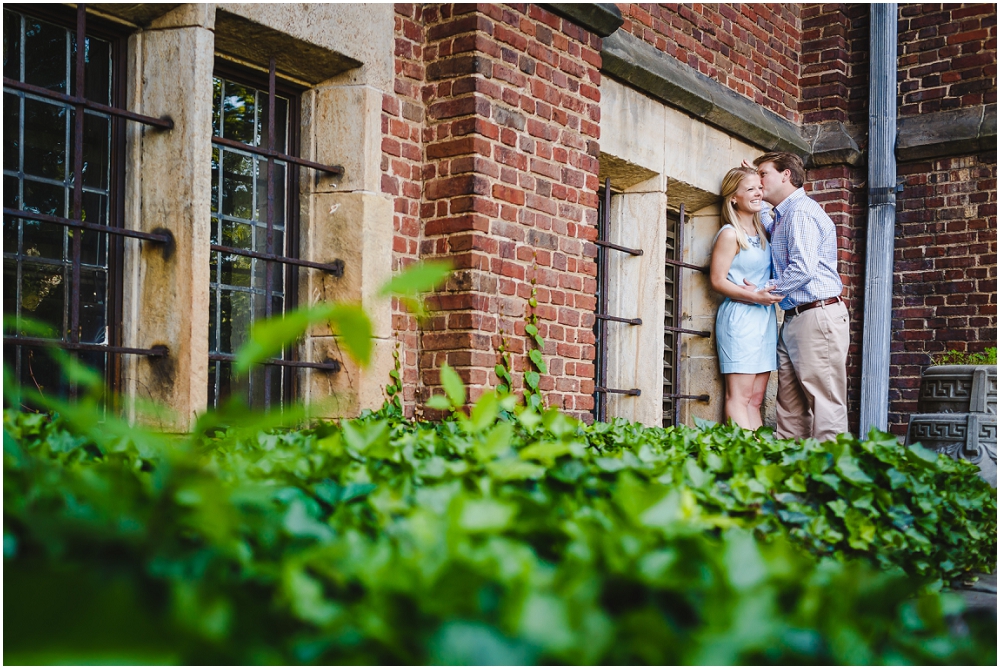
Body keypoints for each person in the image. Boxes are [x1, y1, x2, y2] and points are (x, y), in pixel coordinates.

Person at [750, 151, 849, 442]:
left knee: (826, 403)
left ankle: (833, 480)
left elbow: (802, 268)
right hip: (796, 317)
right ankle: (793, 478)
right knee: (790, 408)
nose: (759, 180)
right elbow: (768, 228)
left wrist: (765, 292)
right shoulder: (784, 216)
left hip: (817, 315)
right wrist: (750, 188)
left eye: (763, 174)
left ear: (786, 175)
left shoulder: (801, 212)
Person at [709, 167, 779, 430]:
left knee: (756, 399)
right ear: (733, 198)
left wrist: (754, 172)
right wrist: (754, 297)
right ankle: (741, 459)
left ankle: (758, 458)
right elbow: (717, 280)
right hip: (740, 319)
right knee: (739, 397)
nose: (758, 192)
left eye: (759, 187)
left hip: (764, 319)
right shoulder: (730, 234)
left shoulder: (762, 231)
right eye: (750, 189)